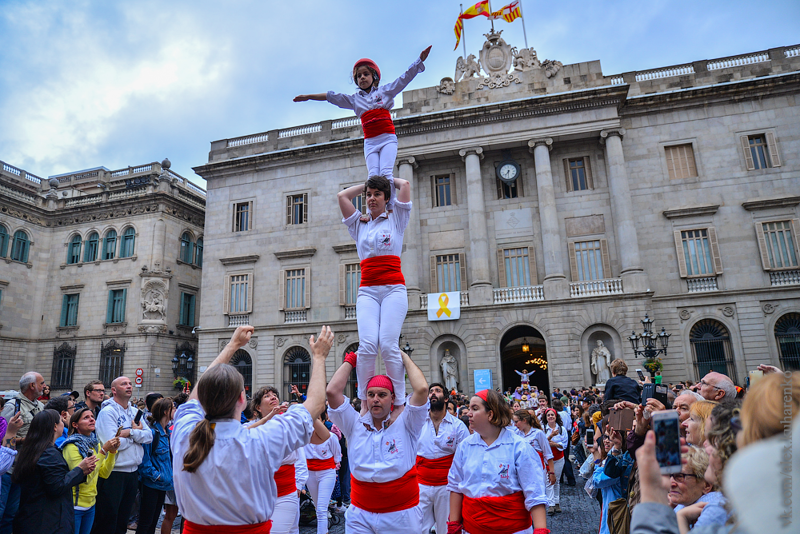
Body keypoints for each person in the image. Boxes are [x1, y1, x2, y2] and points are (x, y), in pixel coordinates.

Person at [171, 325, 333, 532]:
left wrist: (232, 345)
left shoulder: (184, 432)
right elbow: (317, 404)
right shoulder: (261, 438)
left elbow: (197, 394)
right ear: (242, 399)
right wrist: (319, 357)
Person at [294, 45, 432, 203]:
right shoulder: (354, 100)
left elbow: (404, 79)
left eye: (366, 74)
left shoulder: (385, 92)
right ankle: (374, 207)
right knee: (373, 176)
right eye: (359, 76)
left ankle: (391, 206)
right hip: (370, 142)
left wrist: (419, 60)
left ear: (374, 77)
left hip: (387, 138)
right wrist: (308, 96)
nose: (362, 78)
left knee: (386, 173)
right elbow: (330, 96)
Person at [326, 350, 429, 534]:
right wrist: (351, 360)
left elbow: (421, 389)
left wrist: (403, 357)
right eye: (371, 394)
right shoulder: (354, 424)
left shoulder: (407, 422)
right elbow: (332, 392)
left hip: (402, 515)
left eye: (382, 395)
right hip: (360, 515)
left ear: (393, 398)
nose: (375, 399)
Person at [336, 174, 412, 424]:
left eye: (377, 194)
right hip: (368, 290)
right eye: (368, 195)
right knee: (368, 345)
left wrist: (388, 179)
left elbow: (405, 186)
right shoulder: (360, 224)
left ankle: (399, 402)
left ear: (386, 198)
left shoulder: (397, 219)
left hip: (393, 289)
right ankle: (365, 402)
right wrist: (367, 182)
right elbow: (342, 197)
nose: (370, 199)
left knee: (389, 344)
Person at [447, 389, 549, 534]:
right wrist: (454, 525)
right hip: (472, 530)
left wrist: (540, 530)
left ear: (490, 414)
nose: (468, 413)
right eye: (469, 408)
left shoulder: (519, 447)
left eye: (475, 409)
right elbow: (456, 486)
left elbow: (535, 494)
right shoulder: (465, 446)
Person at [12, 410, 97, 534]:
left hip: (30, 517)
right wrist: (80, 470)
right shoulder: (49, 453)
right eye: (61, 421)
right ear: (55, 426)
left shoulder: (32, 448)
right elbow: (57, 487)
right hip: (48, 521)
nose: (64, 424)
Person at [91, 376, 153, 534]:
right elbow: (112, 444)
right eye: (124, 384)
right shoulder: (107, 412)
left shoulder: (135, 412)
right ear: (114, 390)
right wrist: (135, 437)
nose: (129, 386)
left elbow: (149, 437)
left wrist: (129, 433)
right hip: (114, 474)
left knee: (123, 520)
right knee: (108, 520)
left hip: (132, 473)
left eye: (130, 384)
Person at [415, 383, 470, 534]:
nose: (433, 394)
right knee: (418, 528)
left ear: (446, 398)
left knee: (445, 528)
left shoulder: (458, 426)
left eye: (437, 391)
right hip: (421, 485)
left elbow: (464, 459)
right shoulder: (418, 423)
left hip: (447, 487)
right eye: (431, 391)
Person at [61, 407, 121, 534]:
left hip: (91, 503)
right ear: (75, 424)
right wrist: (103, 451)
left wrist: (112, 453)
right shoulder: (71, 446)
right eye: (86, 418)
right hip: (74, 505)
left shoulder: (94, 444)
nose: (91, 420)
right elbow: (84, 477)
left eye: (92, 417)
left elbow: (104, 473)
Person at [0, 371, 46, 533]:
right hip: (8, 470)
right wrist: (23, 440)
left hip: (25, 469)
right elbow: (2, 438)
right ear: (32, 386)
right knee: (1, 512)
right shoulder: (13, 406)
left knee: (13, 514)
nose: (44, 386)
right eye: (41, 383)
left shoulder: (40, 407)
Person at [136, 398, 174, 534]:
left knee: (152, 524)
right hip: (151, 485)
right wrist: (157, 476)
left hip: (162, 485)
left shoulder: (167, 433)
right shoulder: (152, 433)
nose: (175, 410)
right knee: (145, 523)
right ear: (165, 411)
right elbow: (144, 461)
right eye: (172, 408)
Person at [303, 414, 341, 534]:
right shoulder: (303, 437)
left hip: (327, 473)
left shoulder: (331, 437)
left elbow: (337, 455)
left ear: (323, 421)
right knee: (317, 507)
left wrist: (334, 470)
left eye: (317, 419)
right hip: (310, 474)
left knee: (321, 509)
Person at [512, 410, 555, 489]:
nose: (515, 425)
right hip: (522, 471)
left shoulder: (538, 433)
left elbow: (548, 453)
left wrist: (551, 472)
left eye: (516, 422)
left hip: (537, 470)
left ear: (524, 420)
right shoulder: (516, 434)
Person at [542, 408, 568, 514]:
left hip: (559, 458)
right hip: (547, 459)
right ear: (546, 417)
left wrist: (555, 444)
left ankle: (556, 502)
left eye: (552, 415)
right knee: (548, 481)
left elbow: (565, 445)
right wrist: (551, 437)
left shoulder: (562, 429)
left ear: (556, 416)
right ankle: (551, 504)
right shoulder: (543, 429)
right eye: (548, 415)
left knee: (556, 481)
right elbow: (541, 443)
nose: (550, 417)